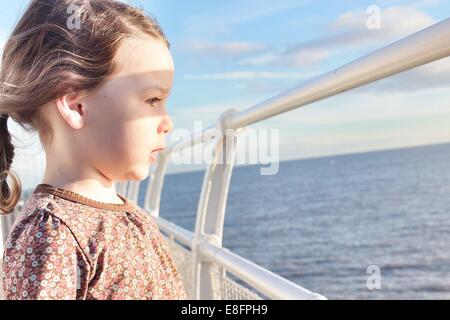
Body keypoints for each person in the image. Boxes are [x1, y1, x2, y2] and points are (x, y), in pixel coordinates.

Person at [0, 0, 186, 300]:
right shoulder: (51, 234)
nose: (168, 123)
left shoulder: (126, 215)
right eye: (152, 100)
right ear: (77, 107)